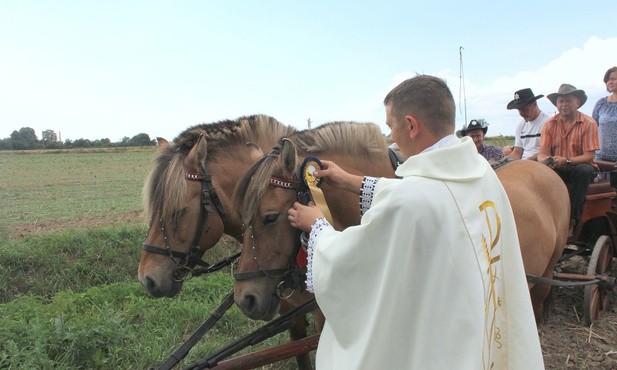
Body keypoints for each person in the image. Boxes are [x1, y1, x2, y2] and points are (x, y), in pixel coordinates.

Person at [287, 75, 544, 369]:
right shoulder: (479, 170)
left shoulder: (413, 197)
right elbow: (428, 193)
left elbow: (353, 258)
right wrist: (350, 181)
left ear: (410, 125)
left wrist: (318, 227)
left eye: (390, 126)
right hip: (478, 320)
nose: (391, 137)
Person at [537, 83, 599, 234]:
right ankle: (543, 216)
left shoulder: (588, 123)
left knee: (583, 171)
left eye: (568, 100)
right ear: (556, 104)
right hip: (557, 166)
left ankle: (573, 218)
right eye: (561, 101)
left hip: (579, 166)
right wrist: (546, 161)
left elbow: (589, 156)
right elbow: (542, 153)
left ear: (577, 103)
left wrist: (566, 160)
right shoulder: (549, 125)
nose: (564, 105)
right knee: (539, 174)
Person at [504, 88, 550, 160]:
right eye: (519, 110)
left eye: (525, 109)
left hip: (540, 163)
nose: (522, 113)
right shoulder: (521, 125)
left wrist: (526, 162)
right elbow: (517, 152)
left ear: (534, 104)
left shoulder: (548, 123)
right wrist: (505, 162)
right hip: (524, 164)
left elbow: (546, 152)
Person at [593, 66, 617, 162]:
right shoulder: (601, 103)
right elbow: (592, 127)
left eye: (613, 79)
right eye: (607, 80)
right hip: (603, 159)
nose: (610, 82)